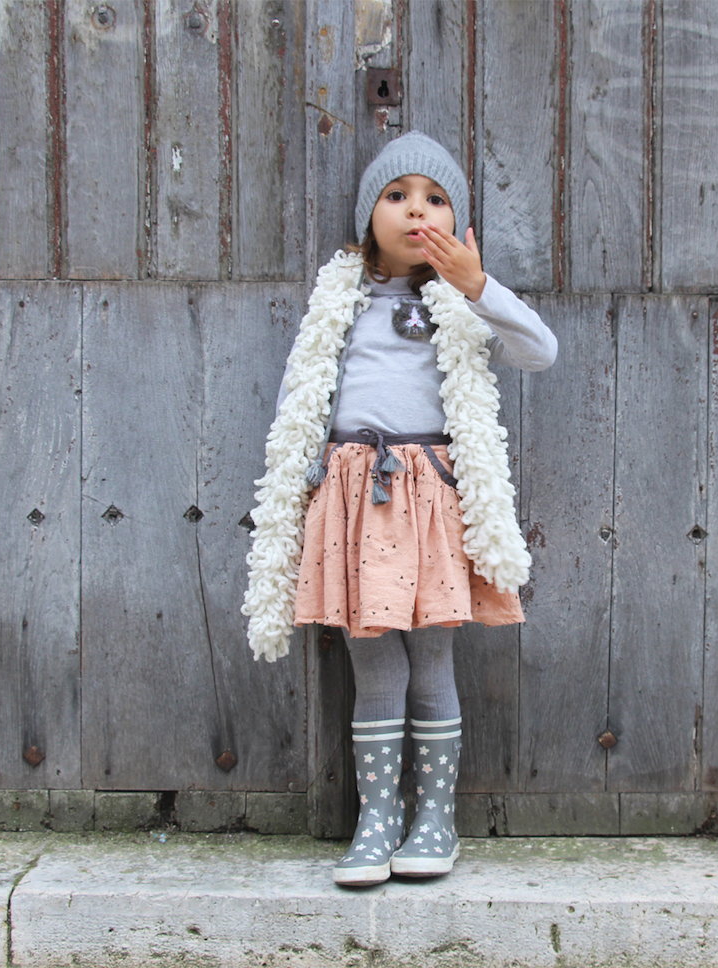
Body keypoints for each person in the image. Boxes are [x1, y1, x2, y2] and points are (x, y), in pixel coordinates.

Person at [242, 132, 557, 886]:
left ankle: (434, 819)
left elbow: (540, 350)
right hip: (354, 496)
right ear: (369, 216)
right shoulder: (339, 303)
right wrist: (300, 488)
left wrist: (479, 286)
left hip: (431, 498)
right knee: (373, 662)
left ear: (456, 221)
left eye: (435, 199)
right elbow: (297, 401)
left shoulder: (458, 305)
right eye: (398, 196)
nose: (417, 211)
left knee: (432, 657)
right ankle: (376, 821)